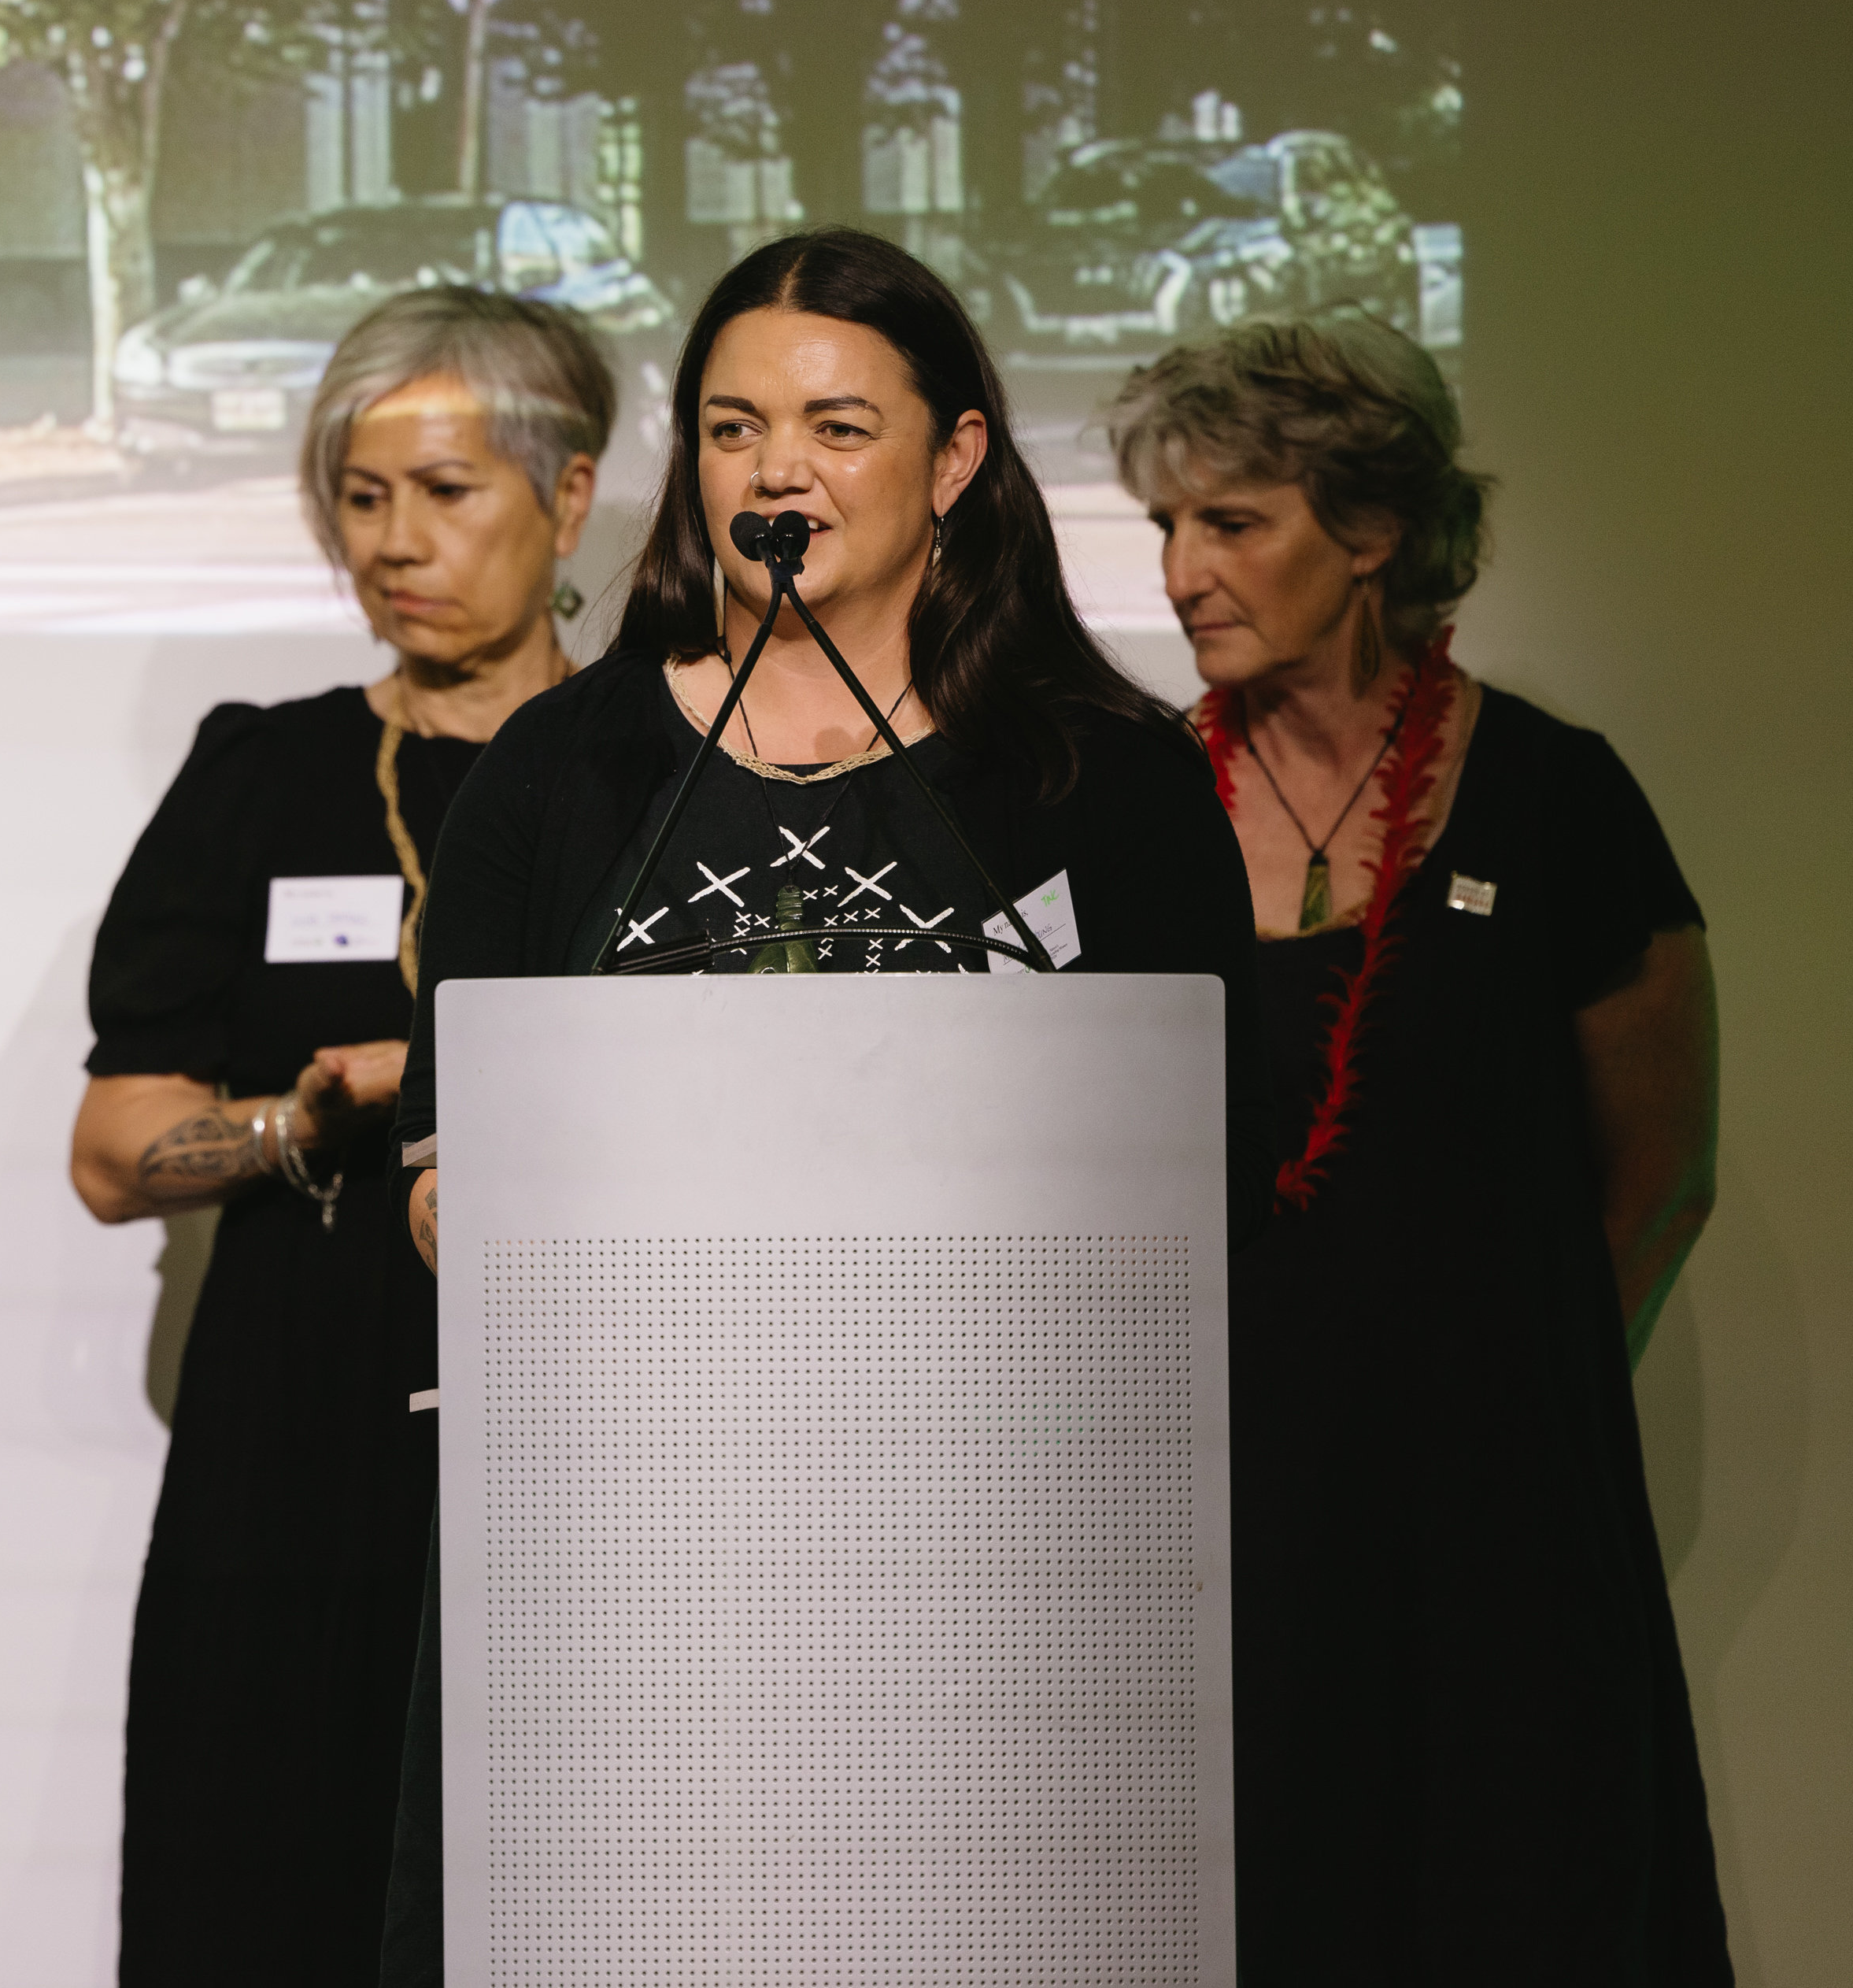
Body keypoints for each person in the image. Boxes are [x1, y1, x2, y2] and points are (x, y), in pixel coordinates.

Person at [380, 228, 1259, 1981]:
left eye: (838, 425)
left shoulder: (1105, 776)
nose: (774, 467)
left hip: (1002, 1575)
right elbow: (438, 1176)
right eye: (729, 426)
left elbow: (1197, 1173)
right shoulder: (562, 773)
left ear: (953, 463)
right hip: (625, 1561)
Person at [1111, 313, 1729, 1982]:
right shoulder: (1124, 814)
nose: (1179, 570)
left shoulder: (1552, 795)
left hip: (1496, 1533)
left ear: (1372, 526)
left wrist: (1514, 1416)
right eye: (1162, 525)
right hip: (1213, 1533)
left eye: (1228, 520)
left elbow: (1662, 1171)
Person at [69, 287, 612, 1987]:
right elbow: (112, 1146)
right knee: (263, 1878)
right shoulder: (265, 773)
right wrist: (294, 1118)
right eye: (359, 497)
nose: (394, 543)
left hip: (583, 1422)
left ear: (570, 494)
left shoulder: (663, 777)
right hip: (291, 1425)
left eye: (445, 491)